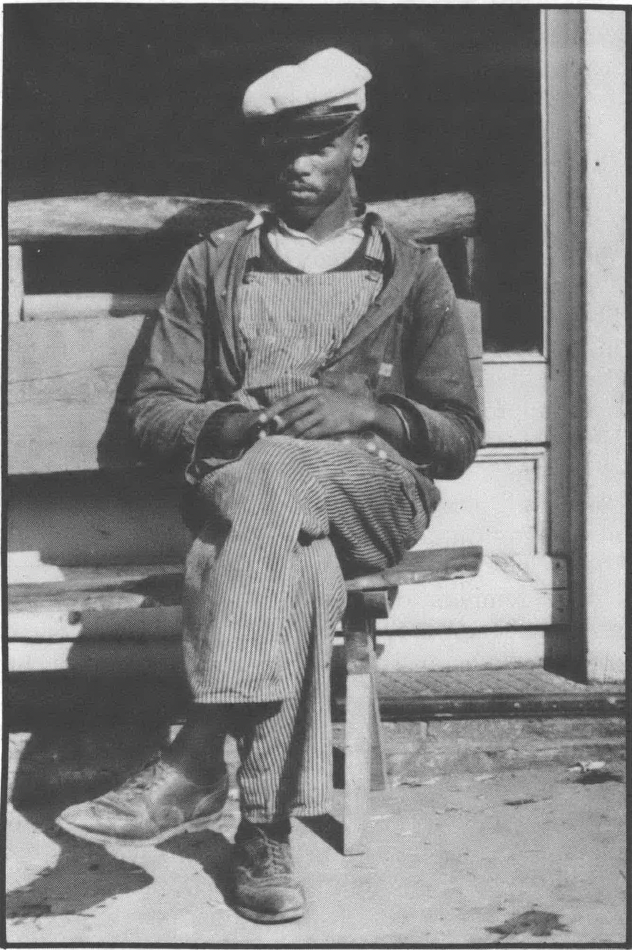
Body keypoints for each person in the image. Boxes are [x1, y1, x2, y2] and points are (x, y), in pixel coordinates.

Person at [56, 48, 483, 924]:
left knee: (278, 483)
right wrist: (225, 425)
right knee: (297, 549)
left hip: (374, 491)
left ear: (358, 149)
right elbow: (151, 412)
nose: (300, 165)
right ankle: (264, 832)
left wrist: (367, 410)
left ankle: (199, 753)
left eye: (322, 145)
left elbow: (458, 436)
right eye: (284, 146)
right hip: (256, 496)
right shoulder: (216, 265)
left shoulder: (410, 270)